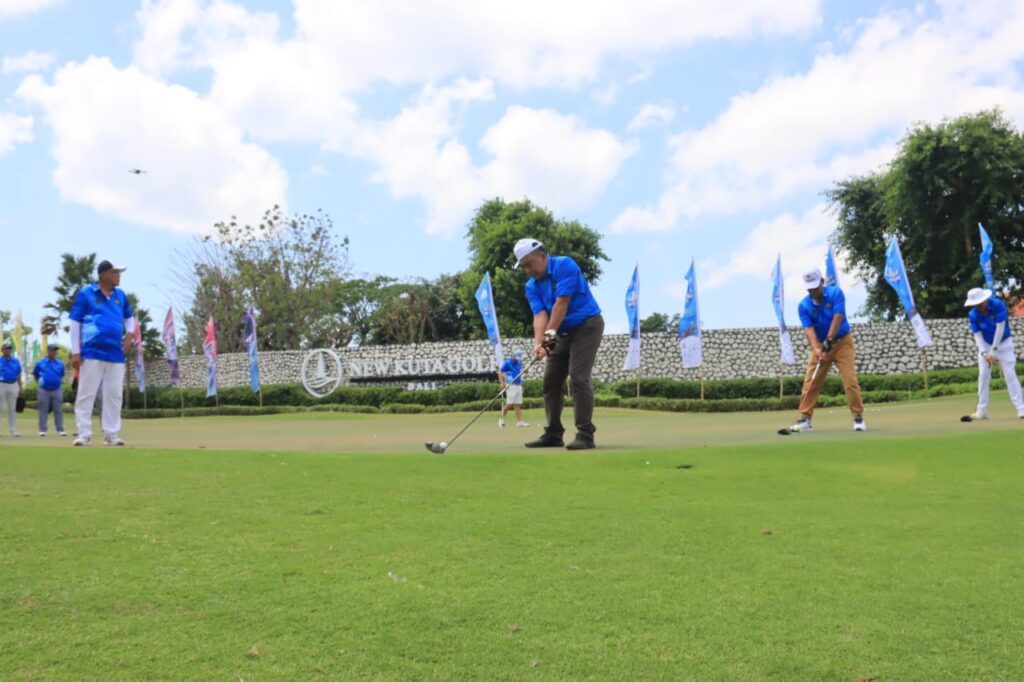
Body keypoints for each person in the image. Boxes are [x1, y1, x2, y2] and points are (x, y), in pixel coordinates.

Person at [514, 238, 604, 450]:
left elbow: (561, 304)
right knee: (551, 380)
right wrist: (539, 344)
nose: (527, 270)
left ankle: (585, 434)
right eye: (523, 266)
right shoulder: (531, 286)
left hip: (587, 326)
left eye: (529, 264)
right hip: (561, 333)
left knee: (578, 376)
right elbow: (540, 315)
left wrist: (548, 340)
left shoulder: (565, 265)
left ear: (542, 255)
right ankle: (553, 433)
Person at [786, 268, 865, 433]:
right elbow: (808, 330)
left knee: (850, 381)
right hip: (821, 346)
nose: (813, 291)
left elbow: (838, 317)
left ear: (822, 281)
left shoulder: (836, 293)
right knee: (811, 382)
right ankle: (805, 420)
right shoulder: (803, 306)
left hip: (842, 343)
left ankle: (858, 418)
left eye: (815, 286)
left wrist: (829, 340)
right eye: (809, 288)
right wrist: (816, 348)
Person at [69, 260, 135, 446]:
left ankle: (111, 434)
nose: (119, 275)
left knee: (114, 394)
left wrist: (130, 334)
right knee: (86, 393)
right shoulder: (86, 294)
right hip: (91, 351)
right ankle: (84, 434)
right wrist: (76, 351)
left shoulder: (120, 295)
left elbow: (129, 317)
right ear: (104, 274)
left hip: (115, 353)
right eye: (115, 272)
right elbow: (75, 322)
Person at [962, 287, 1024, 421]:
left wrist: (993, 352)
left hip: (1004, 344)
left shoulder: (998, 305)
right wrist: (984, 353)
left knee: (1010, 375)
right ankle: (981, 411)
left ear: (985, 299)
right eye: (975, 304)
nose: (978, 306)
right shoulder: (973, 315)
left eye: (979, 303)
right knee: (983, 375)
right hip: (986, 345)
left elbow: (1000, 328)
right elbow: (978, 336)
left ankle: (1021, 409)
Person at [33, 343, 67, 437]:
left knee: (58, 410)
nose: (55, 352)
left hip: (57, 389)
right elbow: (35, 374)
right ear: (48, 351)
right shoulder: (41, 363)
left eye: (55, 350)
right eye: (52, 350)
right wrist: (40, 383)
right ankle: (42, 430)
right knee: (43, 410)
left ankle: (60, 430)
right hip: (44, 390)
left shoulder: (60, 363)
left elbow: (62, 375)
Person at [498, 350, 530, 428]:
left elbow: (518, 374)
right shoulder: (507, 363)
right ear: (513, 355)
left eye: (519, 357)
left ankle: (519, 422)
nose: (518, 359)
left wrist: (521, 384)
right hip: (511, 385)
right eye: (517, 357)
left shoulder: (519, 362)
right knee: (509, 404)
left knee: (518, 404)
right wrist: (502, 383)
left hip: (518, 385)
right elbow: (500, 372)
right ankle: (501, 419)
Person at [0, 340, 24, 437]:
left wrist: (20, 387)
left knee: (12, 409)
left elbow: (18, 374)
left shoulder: (16, 361)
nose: (8, 350)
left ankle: (13, 430)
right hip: (1, 385)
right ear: (2, 350)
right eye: (6, 348)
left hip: (13, 384)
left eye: (10, 348)